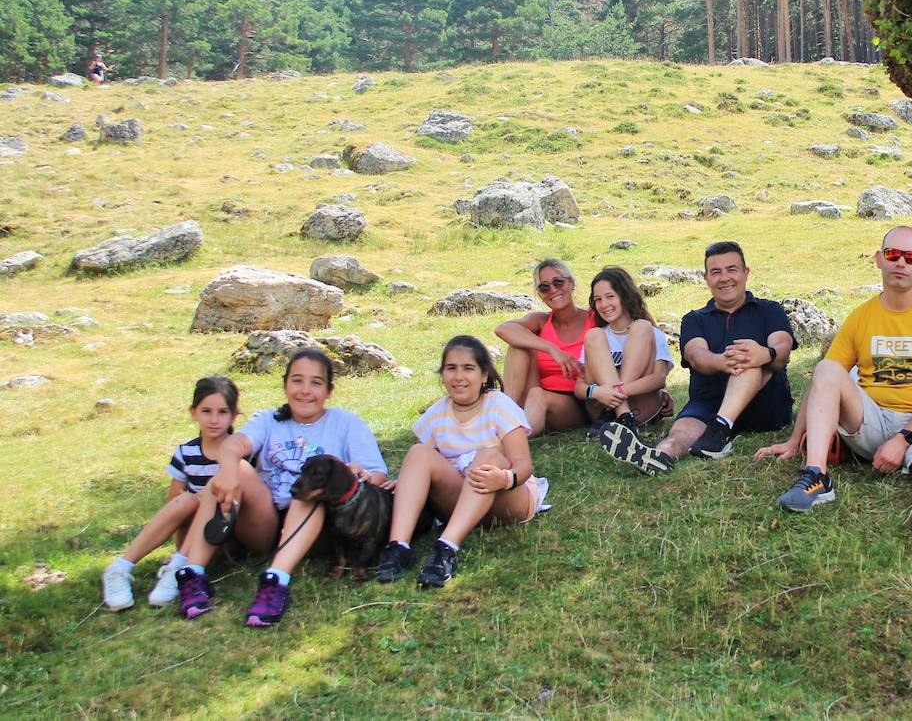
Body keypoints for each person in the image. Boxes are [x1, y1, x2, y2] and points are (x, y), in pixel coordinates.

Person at [760, 226, 912, 542]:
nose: (901, 263)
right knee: (827, 367)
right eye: (894, 255)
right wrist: (794, 438)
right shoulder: (861, 316)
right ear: (880, 259)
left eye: (911, 257)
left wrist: (903, 440)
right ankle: (816, 476)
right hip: (871, 420)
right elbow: (823, 383)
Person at [175, 349, 388, 626]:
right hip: (265, 522)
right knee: (234, 469)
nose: (305, 391)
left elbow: (378, 474)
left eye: (316, 383)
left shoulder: (347, 424)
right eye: (297, 381)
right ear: (285, 384)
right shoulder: (268, 419)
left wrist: (361, 474)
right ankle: (193, 573)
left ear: (329, 390)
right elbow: (234, 445)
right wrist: (228, 468)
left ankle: (276, 580)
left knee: (307, 493)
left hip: (319, 527)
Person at [598, 240, 795, 474]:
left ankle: (721, 429)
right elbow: (696, 355)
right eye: (716, 272)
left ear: (746, 272)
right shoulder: (695, 319)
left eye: (731, 269)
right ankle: (658, 456)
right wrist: (723, 360)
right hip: (708, 402)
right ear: (706, 278)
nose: (724, 278)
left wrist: (765, 353)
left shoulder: (769, 310)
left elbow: (782, 347)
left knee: (748, 358)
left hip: (765, 405)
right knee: (679, 433)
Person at [373, 335, 549, 588]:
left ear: (484, 375)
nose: (459, 377)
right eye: (451, 368)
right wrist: (404, 482)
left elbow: (523, 464)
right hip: (461, 500)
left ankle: (446, 549)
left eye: (468, 368)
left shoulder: (499, 405)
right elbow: (428, 465)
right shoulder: (436, 414)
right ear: (442, 375)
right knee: (418, 452)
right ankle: (398, 547)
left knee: (488, 455)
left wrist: (505, 478)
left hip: (509, 496)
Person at [101, 377, 245, 611]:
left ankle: (180, 568)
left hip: (223, 530)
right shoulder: (186, 452)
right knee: (188, 498)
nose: (215, 420)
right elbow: (174, 501)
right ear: (193, 412)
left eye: (222, 412)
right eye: (206, 411)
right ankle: (120, 568)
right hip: (189, 530)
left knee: (210, 493)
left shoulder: (241, 453)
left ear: (234, 415)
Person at [495, 259, 597, 436]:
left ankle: (509, 439)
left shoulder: (594, 319)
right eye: (544, 287)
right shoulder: (541, 320)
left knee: (538, 395)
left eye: (558, 282)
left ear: (571, 283)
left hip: (576, 400)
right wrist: (552, 349)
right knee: (519, 346)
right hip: (536, 393)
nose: (553, 290)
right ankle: (507, 413)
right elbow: (502, 329)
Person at [580, 266, 674, 429]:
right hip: (603, 411)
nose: (604, 304)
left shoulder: (650, 332)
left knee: (642, 327)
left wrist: (617, 392)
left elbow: (659, 379)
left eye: (610, 296)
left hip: (640, 408)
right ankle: (622, 415)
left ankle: (624, 415)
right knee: (593, 334)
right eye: (598, 299)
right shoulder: (597, 337)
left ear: (625, 296)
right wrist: (597, 392)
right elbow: (579, 387)